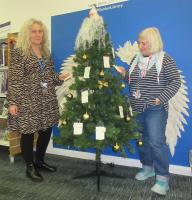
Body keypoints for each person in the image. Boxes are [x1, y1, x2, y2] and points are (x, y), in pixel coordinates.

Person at [116, 27, 181, 195]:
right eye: (139, 42)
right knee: (141, 141)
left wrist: (160, 98)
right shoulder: (135, 60)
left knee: (156, 143)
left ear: (153, 42)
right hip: (136, 108)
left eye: (143, 42)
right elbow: (133, 81)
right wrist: (124, 75)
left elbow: (175, 82)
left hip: (155, 109)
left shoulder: (165, 59)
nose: (140, 45)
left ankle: (162, 178)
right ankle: (147, 168)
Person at [8, 18, 69, 182]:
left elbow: (48, 77)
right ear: (27, 33)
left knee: (46, 131)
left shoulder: (46, 52)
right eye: (34, 31)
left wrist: (59, 77)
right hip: (27, 100)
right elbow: (14, 79)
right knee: (27, 133)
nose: (37, 34)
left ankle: (39, 161)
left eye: (40, 31)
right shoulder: (19, 52)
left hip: (46, 100)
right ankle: (29, 167)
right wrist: (13, 102)